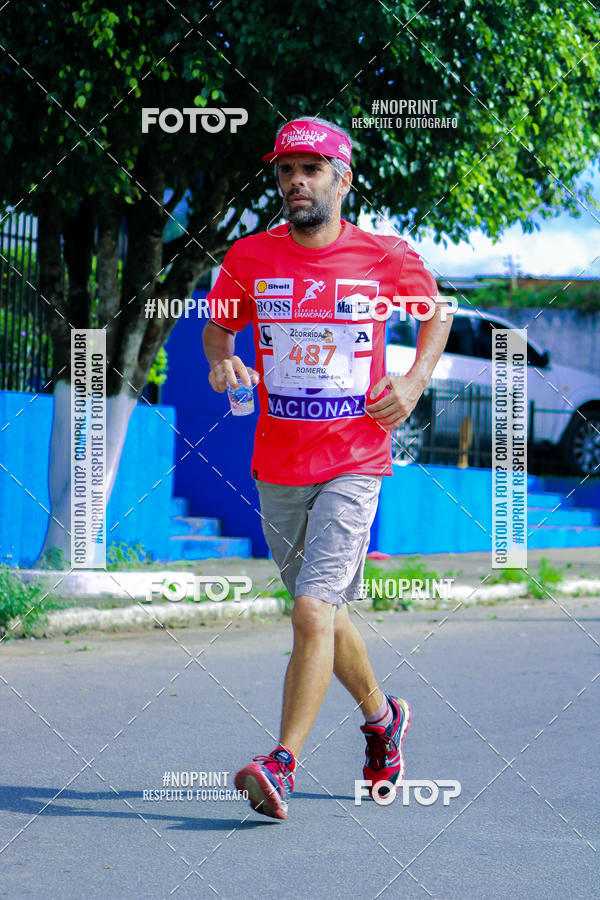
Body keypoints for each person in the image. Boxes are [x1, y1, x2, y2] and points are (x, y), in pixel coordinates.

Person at [202, 116, 453, 820]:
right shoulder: (251, 256)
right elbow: (219, 325)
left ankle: (281, 760)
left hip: (356, 458)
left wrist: (413, 382)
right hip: (278, 462)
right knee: (323, 611)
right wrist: (223, 359)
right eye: (285, 171)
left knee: (312, 607)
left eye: (310, 169)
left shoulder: (383, 256)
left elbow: (437, 313)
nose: (295, 182)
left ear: (343, 179)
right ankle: (383, 719)